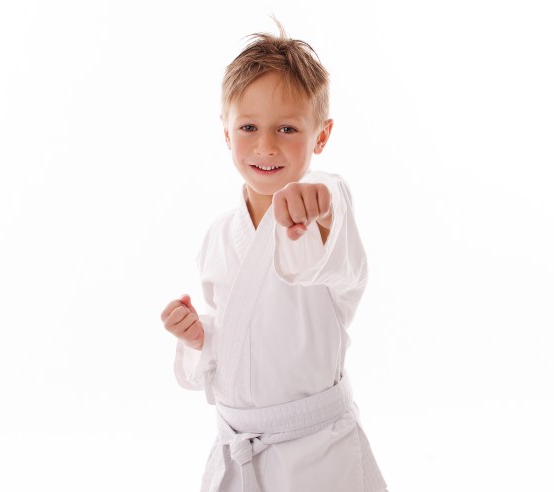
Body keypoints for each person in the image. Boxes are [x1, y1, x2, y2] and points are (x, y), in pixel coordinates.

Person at [161, 19, 389, 492]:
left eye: (287, 128)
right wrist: (200, 336)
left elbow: (330, 223)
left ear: (321, 136)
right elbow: (240, 334)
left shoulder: (324, 208)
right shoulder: (218, 236)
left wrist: (319, 198)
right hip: (238, 448)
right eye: (248, 127)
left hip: (319, 455)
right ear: (226, 133)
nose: (265, 146)